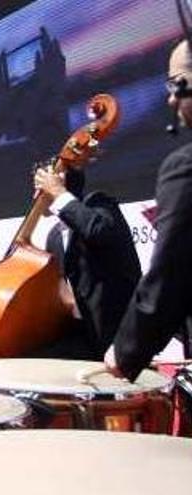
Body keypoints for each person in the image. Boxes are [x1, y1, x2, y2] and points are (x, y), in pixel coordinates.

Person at [105, 41, 192, 380]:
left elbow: (170, 275)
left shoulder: (184, 167)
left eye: (175, 85)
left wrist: (126, 351)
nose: (171, 100)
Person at [32, 166, 140, 360]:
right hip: (84, 333)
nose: (35, 197)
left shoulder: (100, 205)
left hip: (117, 334)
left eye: (41, 188)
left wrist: (58, 193)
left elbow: (97, 230)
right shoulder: (54, 237)